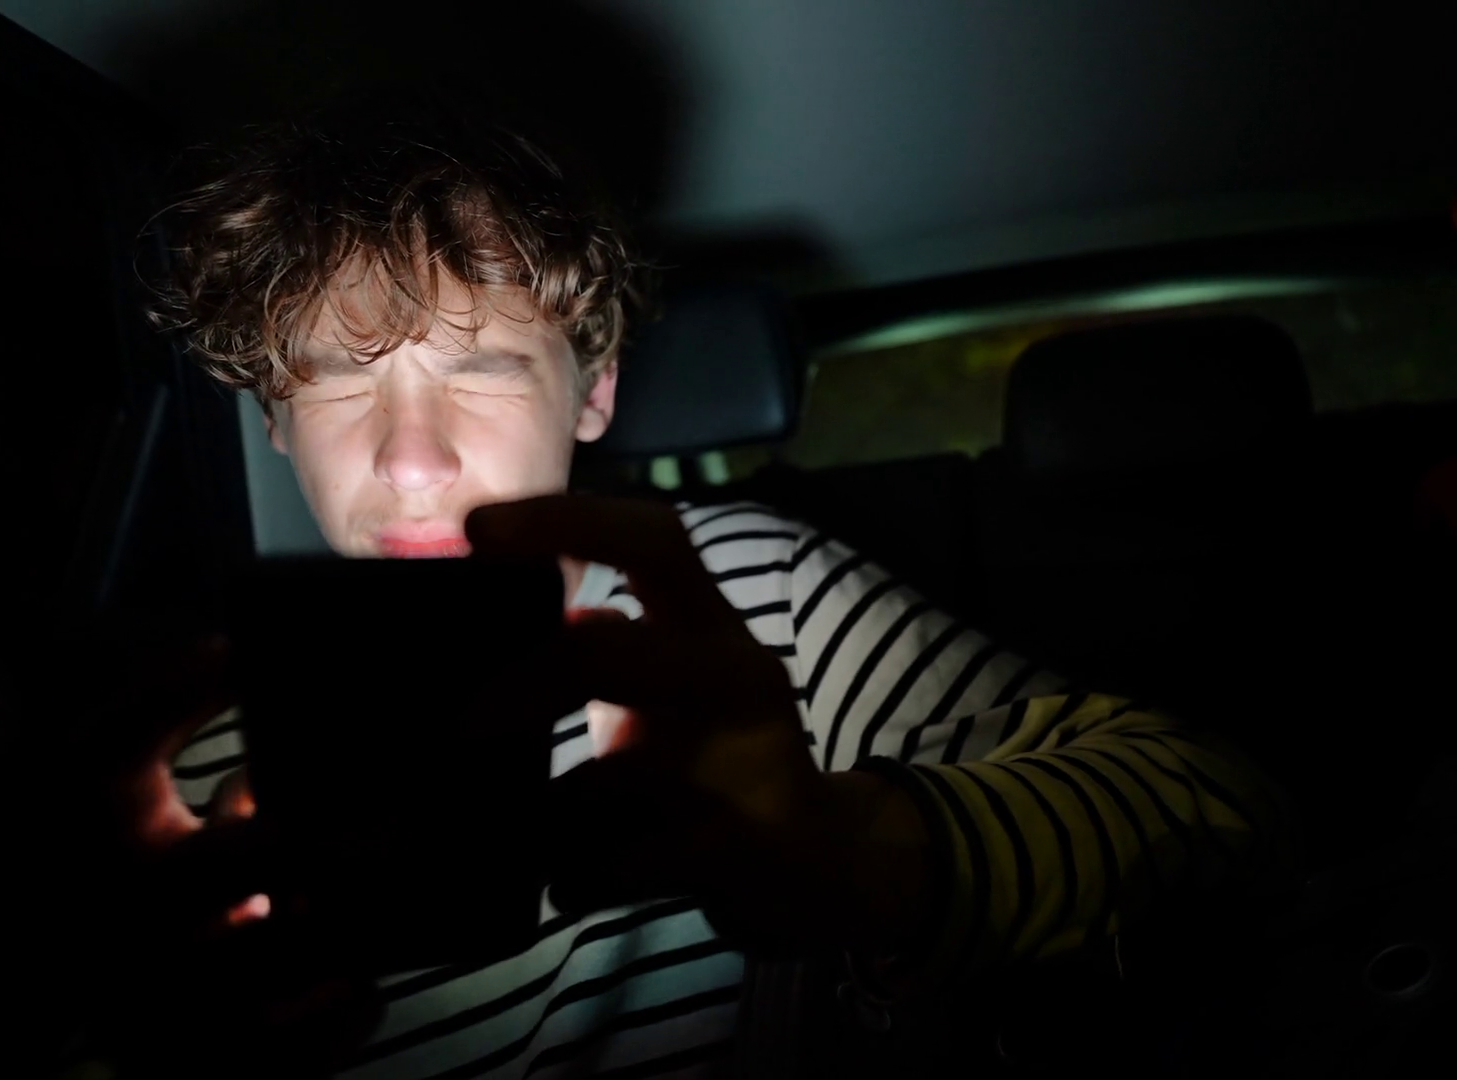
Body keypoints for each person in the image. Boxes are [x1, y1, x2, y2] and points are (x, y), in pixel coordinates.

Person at [89, 94, 1294, 1079]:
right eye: (339, 380)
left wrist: (853, 853)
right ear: (274, 421)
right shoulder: (188, 782)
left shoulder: (738, 597)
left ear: (596, 389)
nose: (412, 459)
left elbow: (1207, 806)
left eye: (484, 368)